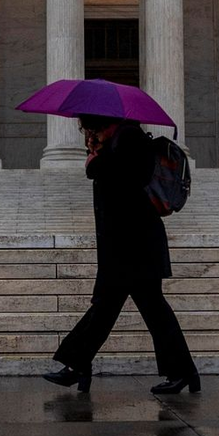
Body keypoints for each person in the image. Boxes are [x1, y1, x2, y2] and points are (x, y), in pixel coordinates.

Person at [44, 114, 200, 395]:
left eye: (86, 124)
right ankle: (78, 365)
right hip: (123, 245)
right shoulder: (115, 141)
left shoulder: (129, 137)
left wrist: (97, 155)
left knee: (146, 311)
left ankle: (181, 372)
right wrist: (97, 151)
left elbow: (126, 179)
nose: (84, 129)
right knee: (112, 309)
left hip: (136, 245)